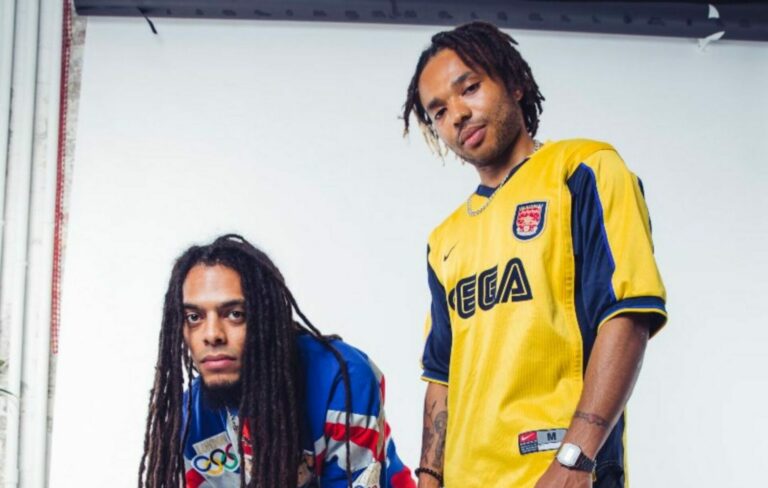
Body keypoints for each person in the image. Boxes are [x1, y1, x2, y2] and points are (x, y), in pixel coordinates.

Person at [402, 22, 667, 488]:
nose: (458, 115)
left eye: (470, 88)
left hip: (554, 471)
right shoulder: (445, 238)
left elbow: (626, 315)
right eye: (439, 111)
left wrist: (574, 458)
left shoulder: (583, 170)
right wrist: (429, 477)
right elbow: (441, 374)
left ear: (515, 83)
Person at [138, 234, 415, 488]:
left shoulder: (341, 379)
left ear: (266, 319)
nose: (211, 335)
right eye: (194, 317)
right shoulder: (192, 419)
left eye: (234, 313)